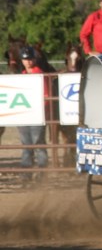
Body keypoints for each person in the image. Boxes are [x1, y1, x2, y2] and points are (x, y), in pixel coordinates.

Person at [17, 46, 48, 180]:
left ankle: (41, 173)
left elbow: (46, 95)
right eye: (25, 59)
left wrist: (38, 109)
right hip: (25, 115)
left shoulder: (39, 74)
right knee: (27, 145)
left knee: (38, 144)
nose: (28, 61)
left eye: (30, 59)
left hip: (36, 116)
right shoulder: (23, 75)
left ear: (34, 59)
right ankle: (27, 172)